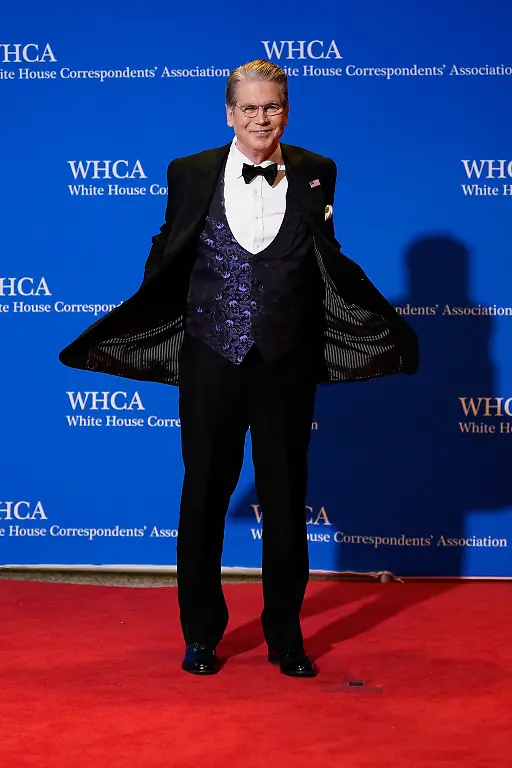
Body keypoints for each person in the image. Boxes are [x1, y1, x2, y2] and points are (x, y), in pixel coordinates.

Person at [59, 58, 419, 678]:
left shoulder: (317, 172)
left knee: (285, 501)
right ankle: (201, 634)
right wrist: (165, 317)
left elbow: (322, 256)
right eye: (249, 108)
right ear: (230, 113)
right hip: (210, 360)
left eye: (272, 107)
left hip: (286, 361)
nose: (261, 118)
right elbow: (167, 251)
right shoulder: (190, 172)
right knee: (202, 496)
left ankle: (285, 635)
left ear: (287, 109)